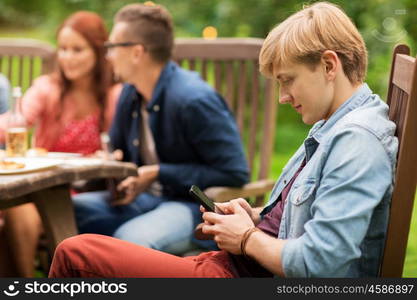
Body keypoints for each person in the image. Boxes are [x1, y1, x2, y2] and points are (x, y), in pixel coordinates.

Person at [49, 1, 398, 278]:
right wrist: (255, 216)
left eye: (287, 80)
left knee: (76, 254)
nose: (283, 96)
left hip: (236, 272)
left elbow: (320, 264)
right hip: (231, 264)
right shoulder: (332, 126)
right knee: (75, 238)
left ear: (328, 65)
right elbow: (302, 221)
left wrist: (246, 239)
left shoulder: (356, 141)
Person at [71, 3, 249, 255]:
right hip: (141, 201)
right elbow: (120, 152)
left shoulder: (193, 99)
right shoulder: (129, 93)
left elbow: (234, 172)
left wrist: (158, 173)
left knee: (129, 240)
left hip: (189, 207)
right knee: (65, 210)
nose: (107, 56)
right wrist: (113, 165)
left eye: (112, 47)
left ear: (136, 52)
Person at [0, 11, 122, 277]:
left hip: (88, 190)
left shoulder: (115, 95)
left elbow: (119, 149)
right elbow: (10, 124)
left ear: (98, 51)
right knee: (16, 209)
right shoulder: (47, 88)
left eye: (77, 49)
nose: (67, 57)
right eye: (63, 49)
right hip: (41, 188)